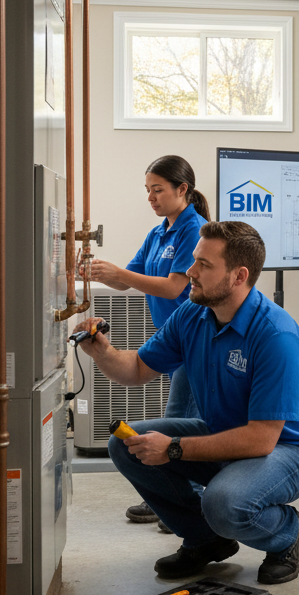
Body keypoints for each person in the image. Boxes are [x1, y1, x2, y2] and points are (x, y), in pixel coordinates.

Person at [74, 220, 299, 582]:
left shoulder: (275, 335)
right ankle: (206, 540)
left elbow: (261, 439)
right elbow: (138, 369)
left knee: (222, 502)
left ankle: (286, 532)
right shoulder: (193, 314)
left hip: (288, 450)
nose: (189, 271)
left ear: (239, 276)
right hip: (224, 432)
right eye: (194, 260)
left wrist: (174, 448)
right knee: (124, 443)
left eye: (204, 265)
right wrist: (102, 351)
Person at [83, 155, 208, 525]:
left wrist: (119, 272)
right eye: (147, 191)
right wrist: (99, 271)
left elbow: (173, 287)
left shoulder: (194, 230)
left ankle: (184, 502)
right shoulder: (158, 233)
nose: (151, 198)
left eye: (158, 190)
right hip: (172, 342)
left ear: (182, 189)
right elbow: (126, 280)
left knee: (176, 425)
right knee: (181, 422)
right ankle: (174, 498)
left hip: (194, 338)